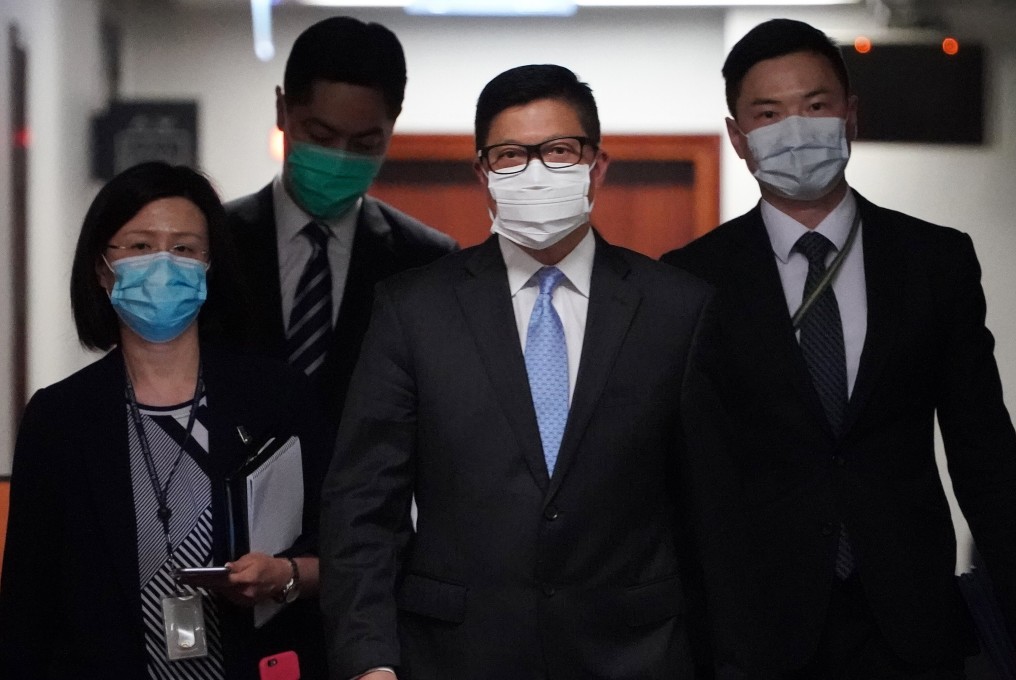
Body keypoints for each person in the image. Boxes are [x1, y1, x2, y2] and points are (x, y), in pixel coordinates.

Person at [318, 63, 725, 680]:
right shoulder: (414, 309)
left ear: (597, 165)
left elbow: (712, 511)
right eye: (510, 155)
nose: (535, 171)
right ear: (483, 174)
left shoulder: (677, 308)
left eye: (558, 150)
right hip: (456, 655)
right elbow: (363, 504)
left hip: (635, 653)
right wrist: (369, 660)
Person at [662, 18, 1016, 678]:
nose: (795, 129)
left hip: (910, 619)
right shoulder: (691, 279)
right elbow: (682, 472)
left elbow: (984, 449)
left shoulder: (933, 260)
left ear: (849, 114)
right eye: (768, 114)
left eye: (815, 105)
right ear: (739, 138)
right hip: (753, 627)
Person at [0, 162, 332, 679]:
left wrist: (285, 576)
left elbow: (348, 556)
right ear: (101, 269)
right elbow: (27, 607)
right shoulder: (60, 418)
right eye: (140, 246)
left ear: (209, 266)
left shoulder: (278, 398)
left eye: (184, 248)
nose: (163, 264)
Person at [225, 16, 456, 437]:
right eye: (321, 136)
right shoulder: (215, 242)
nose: (341, 158)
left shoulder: (426, 263)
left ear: (392, 126)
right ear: (282, 111)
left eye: (365, 144)